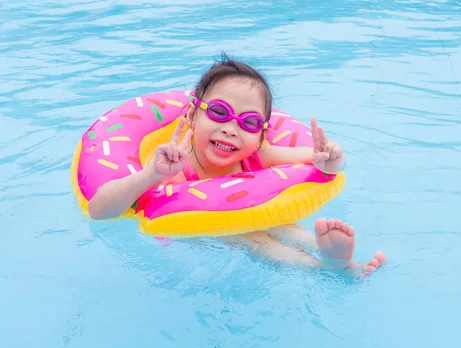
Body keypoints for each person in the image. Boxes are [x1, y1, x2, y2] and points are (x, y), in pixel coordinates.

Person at [88, 54, 385, 276]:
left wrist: (334, 158)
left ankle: (327, 252)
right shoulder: (174, 166)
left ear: (261, 135)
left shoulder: (258, 156)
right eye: (219, 112)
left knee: (283, 226)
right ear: (192, 115)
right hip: (203, 237)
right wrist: (151, 175)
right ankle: (323, 267)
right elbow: (99, 211)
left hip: (249, 225)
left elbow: (319, 163)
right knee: (251, 237)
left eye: (249, 122)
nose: (231, 128)